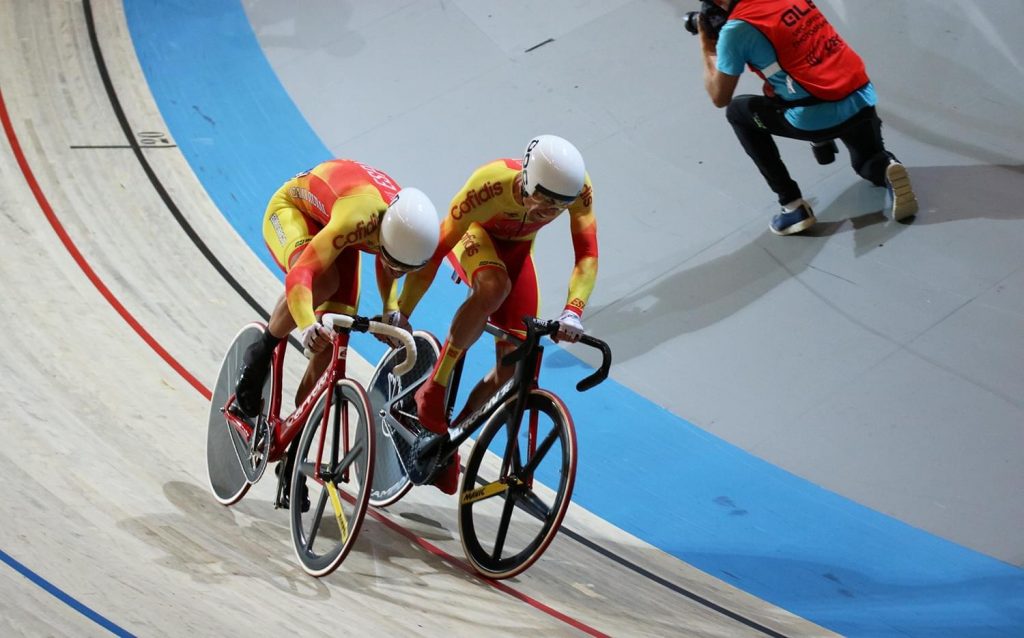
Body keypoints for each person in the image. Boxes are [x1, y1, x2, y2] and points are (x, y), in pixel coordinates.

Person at [392, 135, 599, 495]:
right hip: (472, 238)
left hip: (517, 251)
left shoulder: (579, 190)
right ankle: (433, 388)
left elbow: (587, 254)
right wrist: (402, 311)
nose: (547, 212)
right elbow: (438, 248)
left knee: (514, 362)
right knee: (493, 286)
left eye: (557, 207)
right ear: (526, 179)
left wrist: (573, 310)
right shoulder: (489, 185)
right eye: (543, 200)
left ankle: (448, 441)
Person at [233, 159, 440, 506]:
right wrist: (305, 325)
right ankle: (259, 354)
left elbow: (388, 261)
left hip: (340, 231)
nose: (396, 269)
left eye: (406, 267)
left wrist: (392, 309)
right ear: (383, 232)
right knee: (325, 280)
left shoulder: (403, 234)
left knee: (331, 345)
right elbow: (302, 277)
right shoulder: (360, 219)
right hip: (293, 212)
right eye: (393, 260)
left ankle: (291, 455)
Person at [697, 0, 918, 235]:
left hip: (814, 116)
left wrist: (708, 47)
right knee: (866, 163)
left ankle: (792, 206)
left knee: (738, 113)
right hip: (860, 97)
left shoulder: (736, 29)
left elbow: (719, 96)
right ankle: (886, 166)